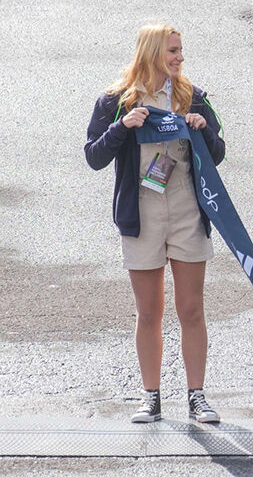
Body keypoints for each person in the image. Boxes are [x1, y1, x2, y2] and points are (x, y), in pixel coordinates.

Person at [84, 24, 226, 424]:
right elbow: (93, 156)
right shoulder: (116, 101)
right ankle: (151, 397)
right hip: (142, 214)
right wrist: (122, 126)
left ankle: (197, 396)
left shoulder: (193, 97)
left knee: (191, 308)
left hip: (185, 211)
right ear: (151, 54)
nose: (180, 57)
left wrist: (202, 131)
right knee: (148, 312)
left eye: (180, 50)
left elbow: (218, 154)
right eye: (173, 51)